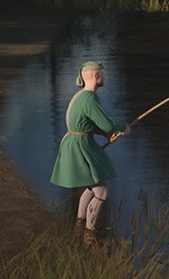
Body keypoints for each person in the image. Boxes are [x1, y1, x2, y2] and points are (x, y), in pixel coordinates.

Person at [50, 61, 130, 248]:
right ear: (96, 76)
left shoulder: (81, 96)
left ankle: (79, 225)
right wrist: (122, 127)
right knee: (101, 192)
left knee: (91, 185)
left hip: (76, 142)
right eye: (103, 73)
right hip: (80, 145)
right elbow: (107, 123)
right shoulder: (89, 99)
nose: (105, 76)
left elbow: (90, 124)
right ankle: (89, 233)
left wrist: (106, 135)